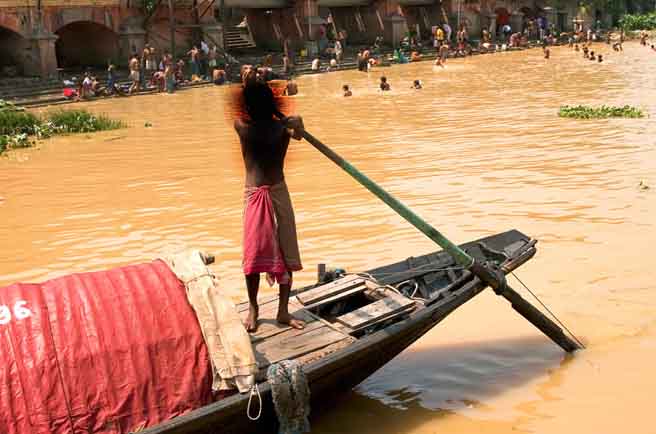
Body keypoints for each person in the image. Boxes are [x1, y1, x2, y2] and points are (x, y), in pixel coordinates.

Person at [235, 66, 305, 332]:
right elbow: (294, 132)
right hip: (254, 195)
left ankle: (283, 312)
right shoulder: (245, 128)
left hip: (278, 192)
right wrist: (292, 123)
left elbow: (298, 134)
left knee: (286, 250)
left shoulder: (278, 128)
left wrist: (298, 123)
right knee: (253, 254)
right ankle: (253, 308)